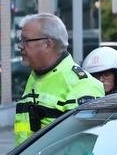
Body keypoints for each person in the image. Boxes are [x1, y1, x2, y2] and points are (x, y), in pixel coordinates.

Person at [14, 13, 104, 145]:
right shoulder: (35, 77)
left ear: (47, 44)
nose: (20, 46)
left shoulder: (82, 86)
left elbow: (79, 149)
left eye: (25, 41)